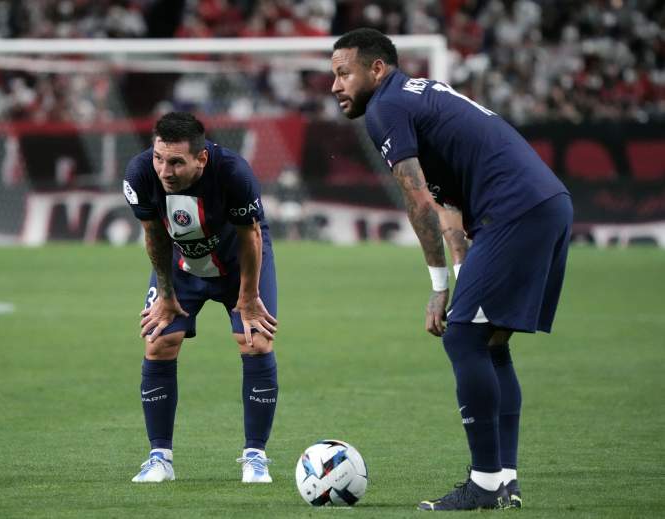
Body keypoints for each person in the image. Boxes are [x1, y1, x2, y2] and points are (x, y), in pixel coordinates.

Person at [331, 28, 572, 511]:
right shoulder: (420, 97)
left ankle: (483, 485)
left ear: (376, 69)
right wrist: (461, 274)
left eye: (343, 73)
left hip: (514, 209)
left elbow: (418, 201)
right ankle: (503, 480)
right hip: (546, 203)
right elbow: (447, 210)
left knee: (462, 337)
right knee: (489, 340)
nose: (334, 86)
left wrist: (438, 288)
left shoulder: (386, 109)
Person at [122, 112, 279, 484]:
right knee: (159, 341)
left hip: (239, 261)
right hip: (180, 260)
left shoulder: (233, 173)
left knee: (254, 340)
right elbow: (154, 235)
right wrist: (164, 293)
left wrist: (249, 297)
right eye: (160, 158)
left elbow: (250, 237)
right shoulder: (139, 174)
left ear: (201, 158)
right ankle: (159, 458)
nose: (165, 170)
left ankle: (255, 456)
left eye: (176, 161)